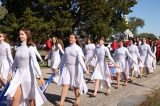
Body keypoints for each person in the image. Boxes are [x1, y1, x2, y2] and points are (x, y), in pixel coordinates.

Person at [5, 28, 46, 106]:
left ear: (27, 35)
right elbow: (14, 63)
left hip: (28, 76)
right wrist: (10, 73)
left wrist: (40, 76)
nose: (20, 36)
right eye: (20, 34)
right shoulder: (18, 48)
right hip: (18, 75)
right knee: (15, 97)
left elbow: (35, 63)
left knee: (31, 99)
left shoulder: (30, 48)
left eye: (22, 34)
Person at [56, 33, 89, 106]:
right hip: (66, 68)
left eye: (72, 37)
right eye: (70, 37)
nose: (70, 39)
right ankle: (61, 102)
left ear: (75, 39)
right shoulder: (67, 49)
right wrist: (58, 67)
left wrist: (85, 69)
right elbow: (63, 60)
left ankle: (77, 100)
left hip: (75, 69)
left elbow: (81, 60)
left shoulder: (78, 48)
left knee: (75, 86)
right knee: (65, 84)